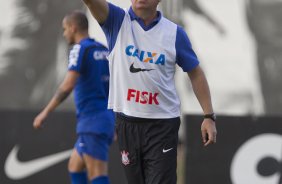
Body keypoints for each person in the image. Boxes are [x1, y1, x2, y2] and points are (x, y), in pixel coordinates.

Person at [82, 0, 217, 184]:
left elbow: (195, 73)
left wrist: (209, 116)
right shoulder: (116, 20)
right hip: (127, 123)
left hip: (162, 125)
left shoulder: (175, 33)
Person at [33, 11, 115, 184]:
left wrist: (45, 112)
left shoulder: (79, 49)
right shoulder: (102, 50)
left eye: (65, 29)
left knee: (97, 174)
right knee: (75, 165)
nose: (64, 34)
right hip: (103, 120)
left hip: (92, 121)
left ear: (73, 28)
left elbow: (68, 85)